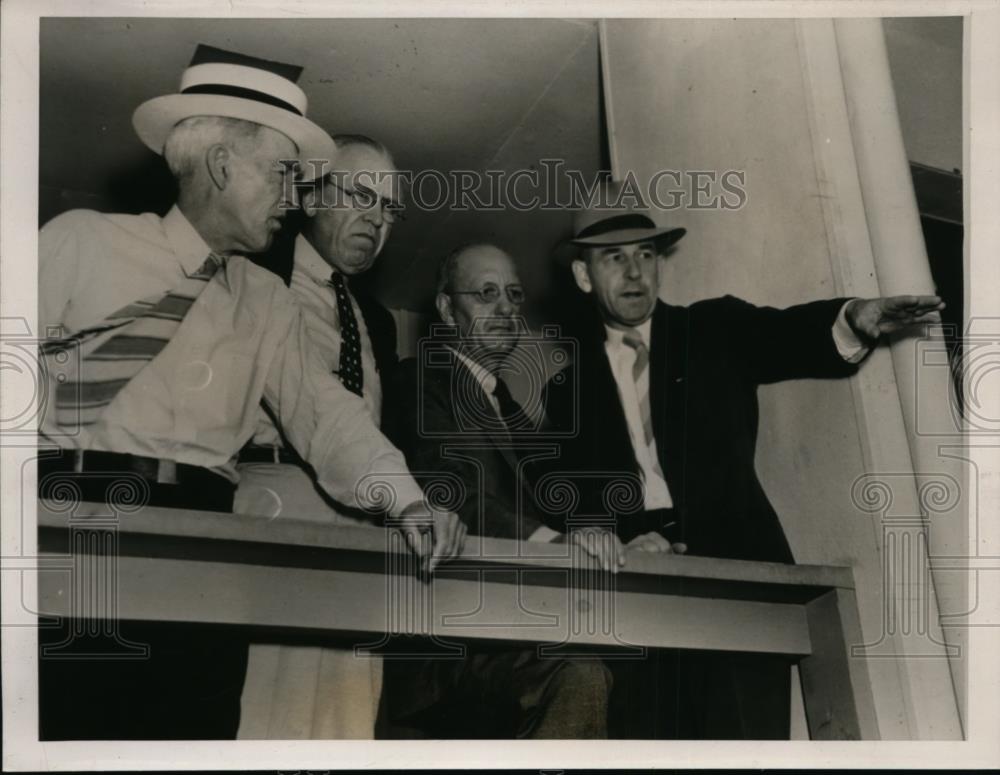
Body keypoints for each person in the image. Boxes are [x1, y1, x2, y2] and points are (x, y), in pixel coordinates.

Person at [36, 45, 464, 740]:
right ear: (222, 164)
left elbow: (325, 411)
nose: (295, 197)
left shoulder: (265, 300)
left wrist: (408, 499)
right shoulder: (79, 242)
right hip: (76, 517)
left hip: (211, 543)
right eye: (283, 174)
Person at [545, 180, 944, 739]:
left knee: (746, 741)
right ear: (584, 276)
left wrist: (855, 316)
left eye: (646, 255)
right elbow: (565, 494)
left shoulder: (712, 328)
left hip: (741, 577)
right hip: (637, 589)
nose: (635, 273)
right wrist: (618, 535)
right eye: (614, 258)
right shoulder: (567, 388)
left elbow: (784, 333)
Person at [376, 243, 621, 739]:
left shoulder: (514, 413)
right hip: (451, 656)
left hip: (517, 638)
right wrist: (555, 542)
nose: (506, 308)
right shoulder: (418, 380)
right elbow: (453, 490)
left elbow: (566, 505)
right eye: (486, 294)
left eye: (513, 294)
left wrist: (625, 541)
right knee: (580, 674)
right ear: (447, 309)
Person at [235, 135, 406, 739]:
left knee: (347, 715)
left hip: (367, 522)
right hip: (277, 501)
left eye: (388, 208)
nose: (376, 219)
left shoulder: (377, 321)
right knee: (271, 706)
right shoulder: (253, 276)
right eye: (362, 195)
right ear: (309, 195)